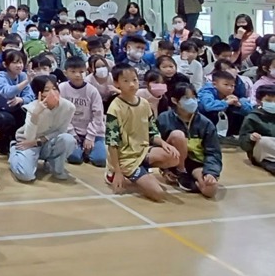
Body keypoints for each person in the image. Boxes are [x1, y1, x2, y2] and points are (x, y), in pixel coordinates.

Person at [105, 65, 180, 201]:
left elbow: (152, 131)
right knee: (158, 194)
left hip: (143, 150)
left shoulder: (144, 104)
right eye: (126, 81)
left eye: (134, 80)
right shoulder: (115, 108)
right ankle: (116, 172)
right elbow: (112, 143)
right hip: (126, 159)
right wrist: (118, 171)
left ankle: (143, 170)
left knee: (173, 157)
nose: (132, 84)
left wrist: (164, 143)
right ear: (116, 83)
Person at [9, 74, 77, 183]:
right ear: (39, 93)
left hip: (48, 142)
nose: (52, 93)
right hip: (27, 143)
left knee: (68, 139)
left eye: (54, 88)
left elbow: (61, 131)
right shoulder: (32, 107)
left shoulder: (69, 107)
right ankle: (15, 151)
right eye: (46, 90)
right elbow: (29, 137)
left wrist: (39, 141)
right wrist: (35, 115)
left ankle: (54, 166)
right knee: (25, 175)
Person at [157, 84, 221, 197]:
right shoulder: (164, 119)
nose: (192, 101)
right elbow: (156, 146)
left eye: (194, 98)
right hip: (174, 161)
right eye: (187, 98)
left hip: (196, 164)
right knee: (178, 135)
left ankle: (191, 182)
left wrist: (211, 173)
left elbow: (214, 152)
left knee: (211, 190)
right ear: (175, 100)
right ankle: (180, 172)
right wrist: (164, 169)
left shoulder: (206, 124)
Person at [60, 55, 106, 168]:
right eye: (73, 71)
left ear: (86, 72)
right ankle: (81, 149)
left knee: (100, 160)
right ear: (65, 73)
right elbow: (62, 115)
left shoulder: (92, 91)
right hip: (72, 131)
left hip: (94, 132)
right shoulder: (61, 88)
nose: (77, 75)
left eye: (81, 72)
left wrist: (90, 137)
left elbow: (97, 116)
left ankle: (88, 150)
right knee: (74, 158)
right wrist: (72, 134)